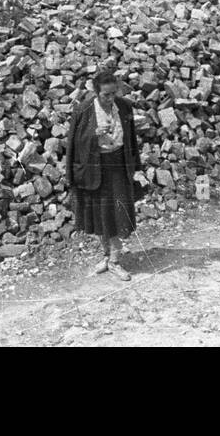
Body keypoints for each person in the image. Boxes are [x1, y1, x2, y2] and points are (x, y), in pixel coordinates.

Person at [66, 69, 141, 280]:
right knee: (99, 216)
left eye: (113, 93)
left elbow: (132, 139)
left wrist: (136, 167)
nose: (110, 99)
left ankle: (115, 261)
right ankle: (107, 255)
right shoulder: (84, 110)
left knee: (117, 214)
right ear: (96, 92)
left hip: (117, 166)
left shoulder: (124, 107)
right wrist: (93, 135)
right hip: (94, 168)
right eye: (105, 95)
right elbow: (73, 144)